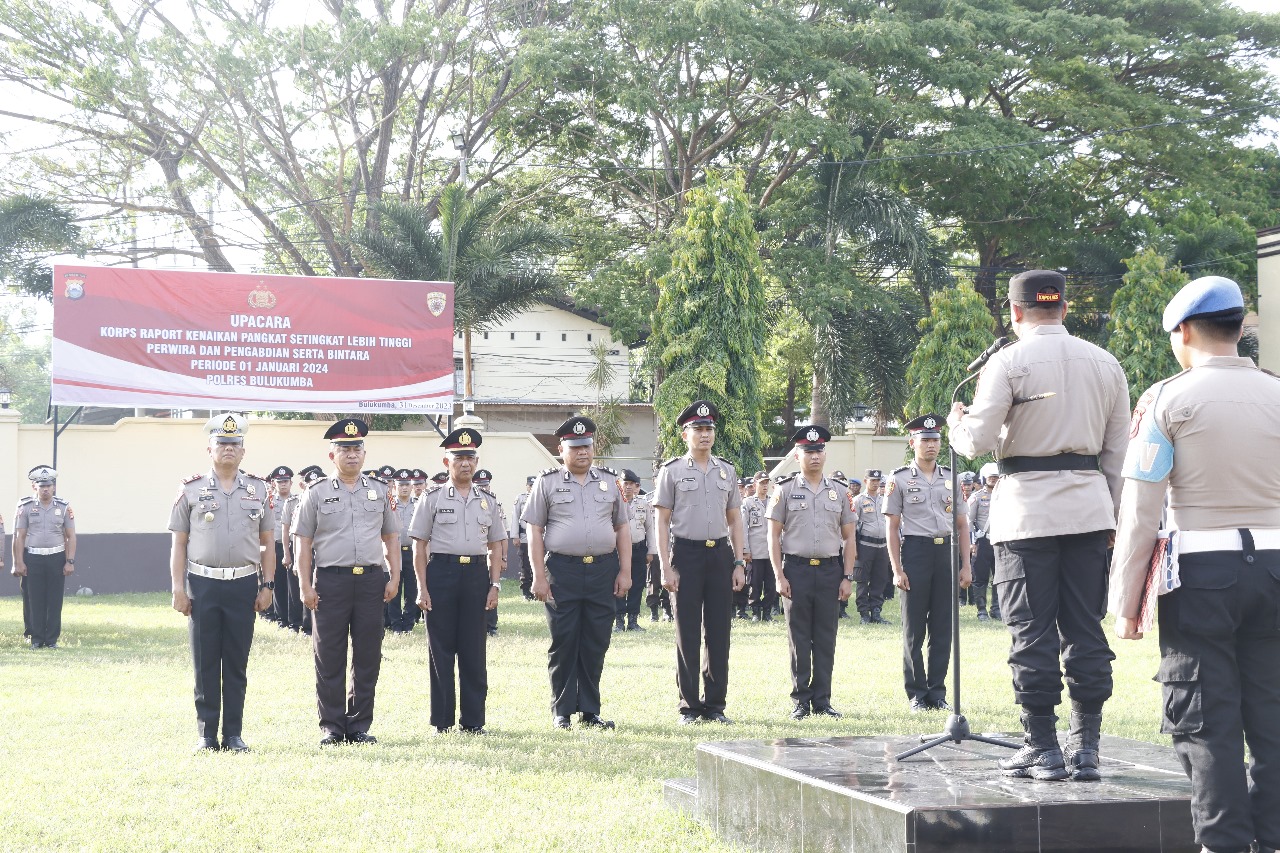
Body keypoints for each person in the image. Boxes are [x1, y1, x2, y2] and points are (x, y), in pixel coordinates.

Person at [1110, 276, 1280, 853]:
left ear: (1183, 332)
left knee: (1205, 718)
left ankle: (1224, 843)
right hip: (1277, 569)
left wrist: (1127, 602)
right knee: (1274, 714)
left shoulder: (1165, 400)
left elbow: (1140, 514)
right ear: (1239, 329)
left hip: (1203, 573)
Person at [949, 269, 1128, 782]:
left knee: (1031, 633)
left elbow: (976, 441)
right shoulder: (1106, 363)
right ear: (1065, 309)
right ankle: (1086, 744)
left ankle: (1043, 746)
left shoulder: (1008, 361)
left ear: (1015, 311)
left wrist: (957, 420)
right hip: (1091, 511)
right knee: (1085, 629)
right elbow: (1116, 455)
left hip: (1026, 514)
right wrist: (1111, 516)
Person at [168, 415, 275, 752]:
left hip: (244, 585)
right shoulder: (191, 489)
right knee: (205, 662)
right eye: (222, 444)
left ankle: (233, 734)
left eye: (234, 444)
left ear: (243, 451)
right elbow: (179, 544)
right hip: (203, 585)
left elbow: (268, 542)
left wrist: (268, 585)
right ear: (209, 449)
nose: (228, 449)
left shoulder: (259, 489)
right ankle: (206, 734)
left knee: (236, 663)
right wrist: (177, 588)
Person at [293, 418, 400, 746]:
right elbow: (302, 541)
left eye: (356, 449)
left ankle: (359, 725)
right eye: (344, 449)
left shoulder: (379, 491)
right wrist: (304, 585)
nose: (351, 454)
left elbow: (392, 536)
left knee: (369, 653)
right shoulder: (316, 493)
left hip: (370, 581)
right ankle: (332, 726)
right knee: (329, 653)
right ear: (332, 456)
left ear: (364, 454)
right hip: (330, 582)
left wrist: (394, 575)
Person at [523, 415, 631, 730]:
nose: (583, 452)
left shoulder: (610, 481)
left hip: (602, 571)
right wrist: (538, 576)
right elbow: (534, 530)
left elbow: (622, 527)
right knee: (564, 640)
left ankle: (590, 710)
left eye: (587, 446)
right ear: (562, 449)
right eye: (575, 447)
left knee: (596, 641)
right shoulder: (547, 482)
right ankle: (562, 710)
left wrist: (625, 571)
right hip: (562, 570)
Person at [653, 400, 747, 725]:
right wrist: (665, 566)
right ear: (685, 434)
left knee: (720, 632)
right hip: (686, 555)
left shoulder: (727, 471)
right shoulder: (672, 471)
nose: (704, 434)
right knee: (687, 632)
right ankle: (689, 706)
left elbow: (735, 519)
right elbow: (661, 521)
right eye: (698, 429)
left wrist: (738, 561)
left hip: (720, 555)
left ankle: (715, 705)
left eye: (708, 429)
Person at [409, 429, 505, 734]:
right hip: (442, 574)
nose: (465, 463)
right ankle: (442, 721)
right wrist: (422, 587)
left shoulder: (487, 500)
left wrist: (495, 584)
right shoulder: (432, 497)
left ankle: (473, 721)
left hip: (476, 576)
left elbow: (497, 544)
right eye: (459, 458)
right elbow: (419, 544)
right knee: (441, 649)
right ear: (446, 461)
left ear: (476, 462)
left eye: (469, 458)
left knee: (474, 649)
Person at [767, 425, 856, 720]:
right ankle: (800, 700)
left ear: (825, 454)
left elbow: (849, 537)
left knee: (826, 637)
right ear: (797, 455)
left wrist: (847, 576)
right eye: (808, 451)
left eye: (818, 451)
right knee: (799, 637)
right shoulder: (785, 489)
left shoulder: (839, 492)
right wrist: (779, 575)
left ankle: (823, 700)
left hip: (830, 571)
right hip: (797, 571)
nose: (814, 456)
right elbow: (773, 536)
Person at [884, 414, 971, 713]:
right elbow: (892, 528)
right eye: (925, 441)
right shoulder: (898, 480)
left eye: (935, 440)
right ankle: (916, 693)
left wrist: (966, 565)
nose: (931, 446)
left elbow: (962, 524)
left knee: (943, 628)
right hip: (916, 553)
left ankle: (937, 691)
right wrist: (897, 569)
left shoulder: (952, 477)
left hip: (946, 551)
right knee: (914, 629)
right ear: (913, 443)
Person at [13, 465, 77, 650]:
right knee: (34, 598)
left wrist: (70, 561)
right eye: (42, 486)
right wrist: (19, 561)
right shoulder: (25, 507)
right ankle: (36, 638)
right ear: (35, 487)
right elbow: (19, 536)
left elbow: (71, 536)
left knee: (55, 599)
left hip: (56, 558)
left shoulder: (64, 507)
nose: (46, 489)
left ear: (54, 487)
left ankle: (51, 640)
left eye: (49, 485)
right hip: (33, 558)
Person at [615, 469, 655, 632]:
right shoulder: (614, 503)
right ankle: (618, 622)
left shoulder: (643, 504)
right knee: (618, 585)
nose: (629, 487)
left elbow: (650, 528)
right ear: (620, 484)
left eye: (632, 484)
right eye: (626, 483)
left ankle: (633, 620)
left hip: (638, 549)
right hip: (617, 551)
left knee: (637, 585)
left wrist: (651, 550)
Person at [852, 469, 892, 625]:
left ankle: (876, 612)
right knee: (862, 580)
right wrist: (854, 549)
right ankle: (864, 614)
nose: (876, 484)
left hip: (882, 545)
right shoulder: (858, 500)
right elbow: (852, 527)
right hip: (864, 545)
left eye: (878, 481)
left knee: (880, 579)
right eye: (872, 481)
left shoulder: (885, 500)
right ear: (865, 481)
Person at [474, 468, 507, 637]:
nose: (483, 488)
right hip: (477, 555)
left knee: (492, 588)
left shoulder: (494, 504)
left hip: (492, 556)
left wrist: (503, 557)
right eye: (480, 485)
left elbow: (502, 536)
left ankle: (491, 626)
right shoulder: (470, 504)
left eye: (485, 485)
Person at [387, 469, 420, 633]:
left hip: (413, 552)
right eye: (401, 485)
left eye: (407, 485)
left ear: (412, 486)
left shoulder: (419, 504)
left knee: (412, 589)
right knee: (395, 588)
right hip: (395, 552)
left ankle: (408, 624)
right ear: (395, 486)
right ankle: (396, 625)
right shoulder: (391, 504)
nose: (404, 488)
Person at [966, 463, 999, 622]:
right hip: (982, 542)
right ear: (984, 478)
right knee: (980, 577)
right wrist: (972, 543)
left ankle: (996, 608)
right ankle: (981, 610)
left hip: (1000, 541)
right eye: (991, 476)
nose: (993, 479)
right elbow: (969, 522)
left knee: (999, 577)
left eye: (996, 476)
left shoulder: (1005, 495)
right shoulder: (976, 497)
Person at [741, 472, 776, 622]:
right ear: (755, 484)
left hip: (772, 552)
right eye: (762, 483)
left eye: (767, 483)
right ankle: (755, 611)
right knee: (754, 583)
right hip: (755, 551)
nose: (765, 486)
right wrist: (745, 549)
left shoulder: (774, 501)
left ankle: (767, 612)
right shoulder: (748, 503)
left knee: (771, 584)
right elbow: (743, 528)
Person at [267, 466, 294, 628]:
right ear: (274, 483)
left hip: (295, 547)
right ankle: (281, 618)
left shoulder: (298, 500)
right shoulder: (269, 501)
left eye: (285, 481)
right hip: (275, 546)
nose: (283, 485)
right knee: (279, 584)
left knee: (294, 586)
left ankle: (294, 617)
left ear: (291, 483)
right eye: (279, 482)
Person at [511, 475, 535, 600]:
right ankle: (526, 591)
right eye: (530, 485)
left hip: (539, 537)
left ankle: (537, 590)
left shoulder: (542, 497)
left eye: (534, 485)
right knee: (525, 565)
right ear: (526, 486)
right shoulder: (520, 498)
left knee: (539, 565)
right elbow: (515, 517)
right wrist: (515, 536)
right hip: (525, 536)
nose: (532, 488)